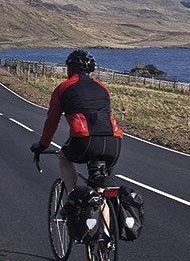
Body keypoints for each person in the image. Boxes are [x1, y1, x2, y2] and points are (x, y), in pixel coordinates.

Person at [30, 50, 123, 192]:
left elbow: (52, 121)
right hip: (113, 142)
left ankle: (72, 199)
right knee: (102, 189)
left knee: (64, 157)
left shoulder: (63, 88)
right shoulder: (103, 87)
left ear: (70, 68)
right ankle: (107, 210)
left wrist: (43, 145)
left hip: (84, 141)